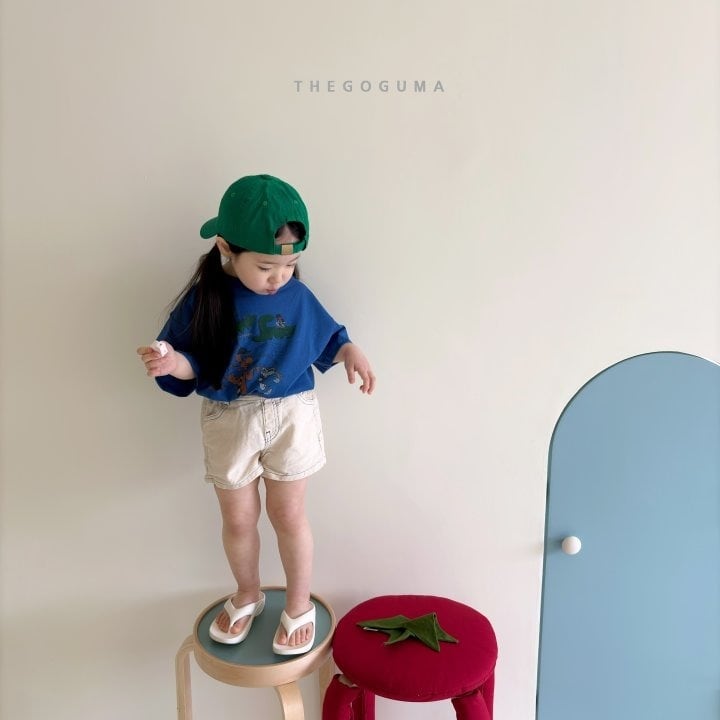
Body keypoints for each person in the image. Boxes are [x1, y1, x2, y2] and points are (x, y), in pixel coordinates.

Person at [137, 174, 375, 655]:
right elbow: (191, 363)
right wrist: (170, 362)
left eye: (290, 265)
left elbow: (328, 337)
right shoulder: (205, 299)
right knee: (239, 519)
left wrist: (349, 350)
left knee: (289, 515)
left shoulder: (297, 296)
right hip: (230, 418)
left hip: (291, 415)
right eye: (266, 266)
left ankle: (299, 604)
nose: (279, 277)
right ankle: (247, 594)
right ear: (226, 248)